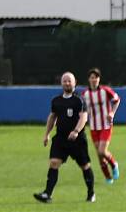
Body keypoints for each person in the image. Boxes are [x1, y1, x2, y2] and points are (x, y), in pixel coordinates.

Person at [33, 71, 96, 204]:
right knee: (54, 163)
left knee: (85, 166)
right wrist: (46, 134)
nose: (67, 83)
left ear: (75, 83)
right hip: (61, 138)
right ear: (61, 83)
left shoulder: (79, 100)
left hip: (77, 140)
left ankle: (91, 193)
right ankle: (47, 194)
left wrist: (76, 131)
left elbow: (83, 117)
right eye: (65, 81)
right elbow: (52, 117)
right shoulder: (56, 101)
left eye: (69, 81)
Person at [82, 68, 121, 185]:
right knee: (99, 155)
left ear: (99, 79)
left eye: (96, 77)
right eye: (92, 77)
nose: (94, 80)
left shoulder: (105, 90)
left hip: (106, 125)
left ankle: (114, 164)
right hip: (93, 127)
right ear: (89, 79)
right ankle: (108, 178)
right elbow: (82, 109)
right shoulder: (85, 94)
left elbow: (117, 100)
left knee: (102, 151)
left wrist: (112, 113)